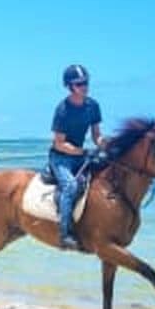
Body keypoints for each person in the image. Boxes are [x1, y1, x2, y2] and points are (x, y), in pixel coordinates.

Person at [49, 65, 105, 250]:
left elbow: (97, 136)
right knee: (71, 186)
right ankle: (65, 234)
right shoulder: (62, 110)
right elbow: (59, 143)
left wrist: (106, 144)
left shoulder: (93, 106)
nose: (84, 86)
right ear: (69, 86)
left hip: (80, 156)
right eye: (79, 84)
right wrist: (82, 152)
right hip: (61, 158)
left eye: (86, 82)